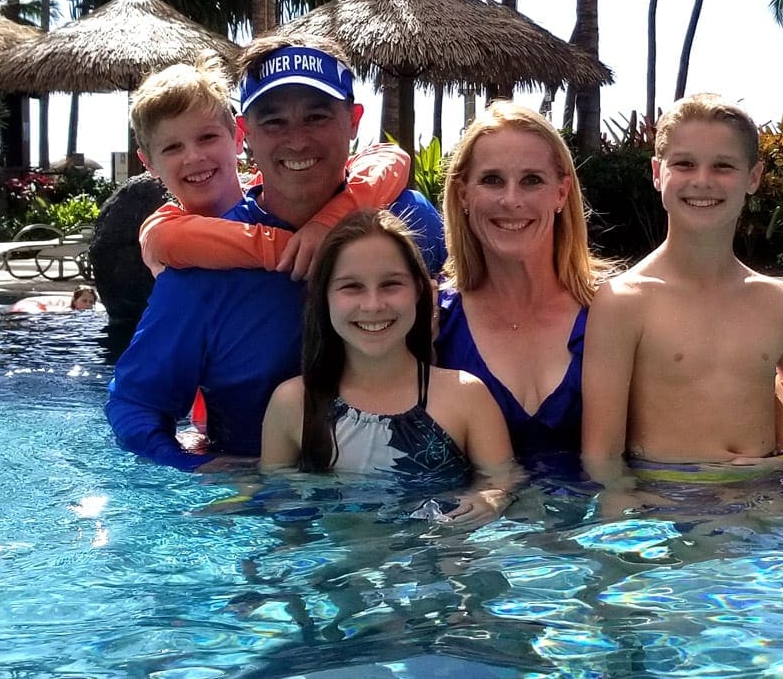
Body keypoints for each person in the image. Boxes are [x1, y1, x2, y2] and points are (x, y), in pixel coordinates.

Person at [105, 34, 445, 472]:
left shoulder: (411, 220)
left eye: (317, 116)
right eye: (274, 122)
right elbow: (134, 407)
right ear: (245, 133)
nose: (297, 141)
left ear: (354, 120)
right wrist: (202, 470)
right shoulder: (201, 270)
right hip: (271, 511)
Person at [581, 93, 783, 484]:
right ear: (657, 173)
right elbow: (601, 456)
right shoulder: (624, 302)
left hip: (763, 498)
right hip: (667, 501)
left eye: (723, 166)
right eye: (684, 164)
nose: (702, 181)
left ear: (754, 177)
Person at [262, 209, 518, 524]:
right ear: (323, 298)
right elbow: (279, 511)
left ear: (420, 291)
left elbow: (503, 483)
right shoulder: (293, 404)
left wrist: (489, 498)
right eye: (351, 287)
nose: (372, 305)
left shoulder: (465, 397)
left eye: (391, 284)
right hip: (336, 565)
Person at [434, 101, 615, 470]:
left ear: (561, 193)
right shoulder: (433, 319)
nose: (511, 200)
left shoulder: (613, 313)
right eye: (492, 180)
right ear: (463, 194)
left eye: (532, 180)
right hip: (469, 526)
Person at [128, 52, 409, 280]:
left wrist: (329, 222)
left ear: (238, 137)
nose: (193, 157)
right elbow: (164, 238)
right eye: (172, 148)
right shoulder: (165, 232)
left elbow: (389, 158)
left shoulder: (270, 190)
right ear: (148, 163)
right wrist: (294, 249)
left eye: (207, 137)